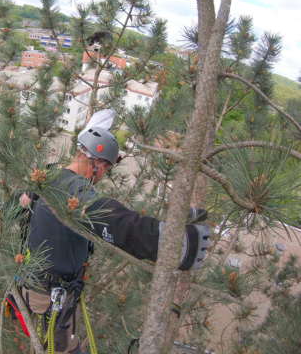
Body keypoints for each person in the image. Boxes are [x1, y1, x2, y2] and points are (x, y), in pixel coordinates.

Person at [16, 127, 210, 354]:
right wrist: (166, 240)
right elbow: (107, 217)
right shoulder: (74, 188)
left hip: (32, 288)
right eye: (106, 169)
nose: (103, 175)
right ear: (99, 165)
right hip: (54, 300)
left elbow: (18, 205)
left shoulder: (48, 176)